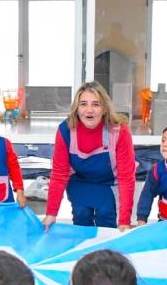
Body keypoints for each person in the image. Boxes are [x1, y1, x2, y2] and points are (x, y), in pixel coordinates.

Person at [43, 81, 136, 231]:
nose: (89, 110)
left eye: (96, 104)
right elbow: (60, 174)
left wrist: (124, 221)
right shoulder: (65, 130)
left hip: (108, 183)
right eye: (83, 104)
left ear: (105, 108)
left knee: (105, 215)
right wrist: (51, 213)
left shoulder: (119, 132)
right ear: (77, 109)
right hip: (79, 182)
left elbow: (126, 177)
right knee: (81, 214)